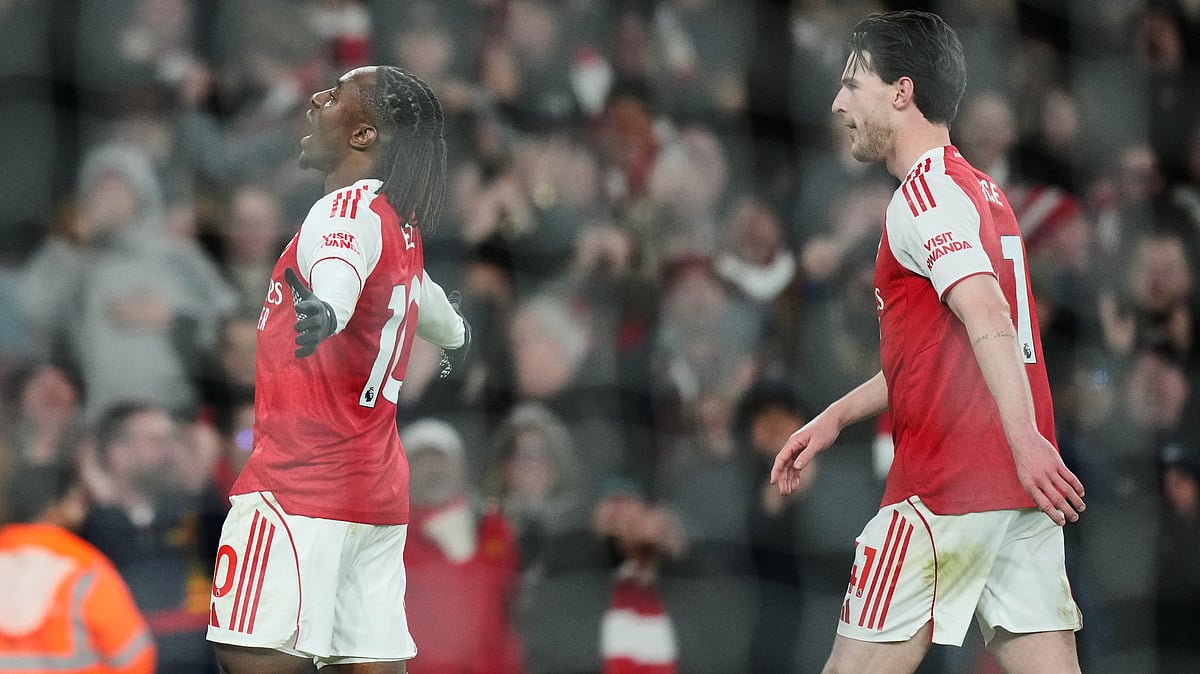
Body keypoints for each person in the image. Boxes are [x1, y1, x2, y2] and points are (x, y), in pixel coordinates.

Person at [769, 10, 1086, 673]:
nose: (838, 102)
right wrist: (835, 416)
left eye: (853, 84)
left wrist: (1025, 436)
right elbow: (945, 352)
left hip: (940, 493)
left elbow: (988, 315)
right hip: (1016, 498)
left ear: (901, 92)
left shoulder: (923, 197)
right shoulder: (983, 191)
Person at [204, 65, 470, 674]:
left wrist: (327, 311)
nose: (318, 97)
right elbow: (431, 307)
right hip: (375, 496)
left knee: (245, 657)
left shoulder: (341, 212)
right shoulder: (399, 225)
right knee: (372, 664)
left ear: (362, 135)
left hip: (299, 488)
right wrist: (461, 335)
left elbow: (338, 277)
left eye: (336, 94)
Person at [0, 463, 157, 674]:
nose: (82, 510)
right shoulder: (86, 573)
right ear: (55, 507)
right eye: (76, 500)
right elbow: (137, 659)